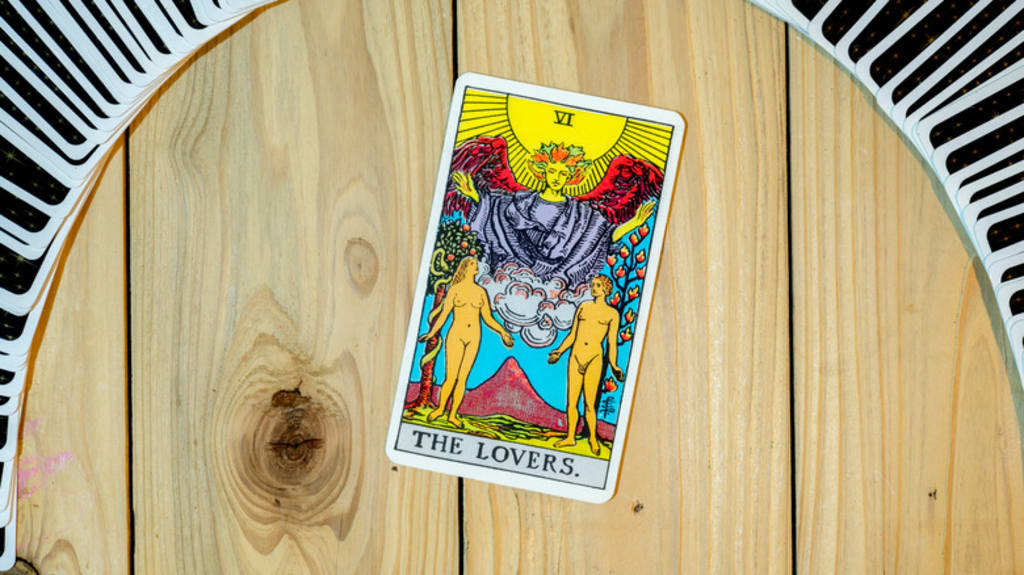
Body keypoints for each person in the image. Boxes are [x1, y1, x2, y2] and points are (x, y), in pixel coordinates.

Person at [448, 140, 656, 288]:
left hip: (556, 287)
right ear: (542, 171)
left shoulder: (581, 214)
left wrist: (635, 222)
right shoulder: (520, 201)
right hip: (510, 277)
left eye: (563, 173)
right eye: (552, 171)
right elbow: (495, 211)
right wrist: (473, 194)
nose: (556, 177)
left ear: (573, 177)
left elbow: (603, 236)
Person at [419, 256, 514, 427]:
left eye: (475, 264)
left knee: (462, 378)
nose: (475, 266)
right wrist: (431, 332)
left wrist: (502, 332)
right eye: (472, 264)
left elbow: (488, 318)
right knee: (451, 377)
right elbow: (444, 314)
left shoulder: (481, 292)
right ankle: (440, 409)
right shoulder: (455, 290)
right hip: (456, 334)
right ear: (465, 268)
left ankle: (453, 414)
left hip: (474, 336)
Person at [547, 274, 623, 455]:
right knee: (571, 402)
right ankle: (570, 437)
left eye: (597, 285)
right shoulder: (583, 307)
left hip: (594, 358)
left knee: (589, 403)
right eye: (593, 285)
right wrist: (559, 351)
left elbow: (612, 343)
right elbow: (572, 335)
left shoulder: (612, 314)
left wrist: (614, 365)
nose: (593, 288)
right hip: (576, 356)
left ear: (606, 289)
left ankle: (593, 439)